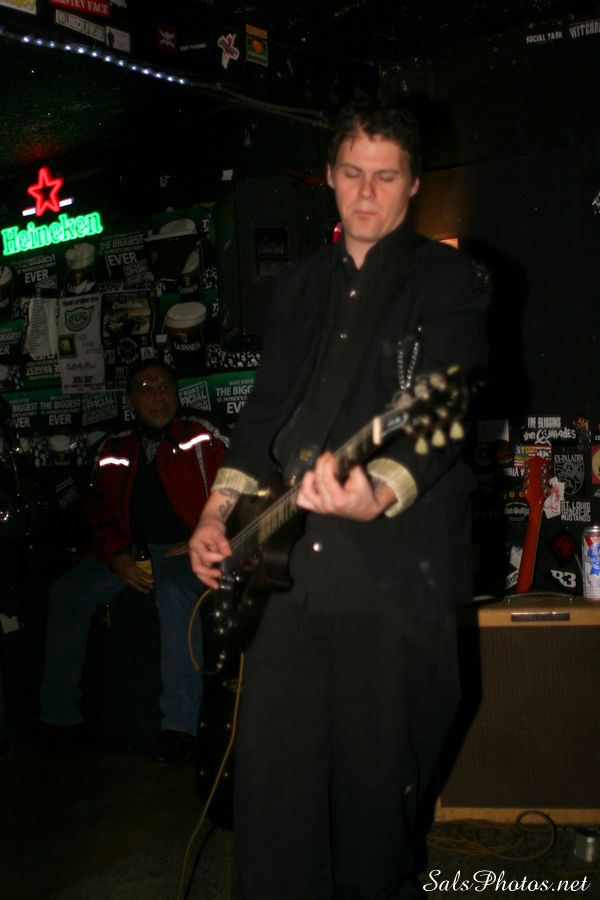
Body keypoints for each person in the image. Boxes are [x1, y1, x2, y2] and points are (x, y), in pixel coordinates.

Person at [189, 97, 490, 898]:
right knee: (273, 794)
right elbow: (264, 412)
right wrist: (217, 513)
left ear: (414, 184)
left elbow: (447, 403)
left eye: (385, 177)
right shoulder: (297, 286)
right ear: (328, 176)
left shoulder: (449, 280)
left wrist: (381, 489)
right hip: (285, 577)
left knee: (372, 801)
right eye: (353, 173)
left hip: (388, 579)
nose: (366, 193)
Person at [39, 359, 227, 764]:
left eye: (164, 386)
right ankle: (59, 718)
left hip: (187, 549)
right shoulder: (114, 446)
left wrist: (204, 532)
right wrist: (116, 555)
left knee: (174, 593)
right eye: (146, 388)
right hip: (131, 551)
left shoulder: (203, 434)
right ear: (130, 400)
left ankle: (180, 727)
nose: (158, 395)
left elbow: (237, 490)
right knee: (66, 593)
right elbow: (99, 510)